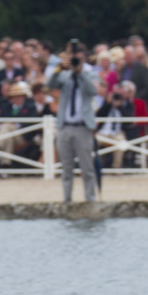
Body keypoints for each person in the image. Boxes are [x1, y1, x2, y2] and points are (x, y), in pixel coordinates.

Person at [47, 40, 98, 203]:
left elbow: (93, 91)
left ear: (83, 55)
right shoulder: (64, 73)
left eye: (76, 54)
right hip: (65, 126)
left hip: (82, 127)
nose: (74, 57)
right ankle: (67, 200)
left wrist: (80, 72)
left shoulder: (89, 72)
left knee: (87, 168)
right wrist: (60, 68)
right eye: (71, 54)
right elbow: (50, 84)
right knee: (66, 168)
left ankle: (90, 199)